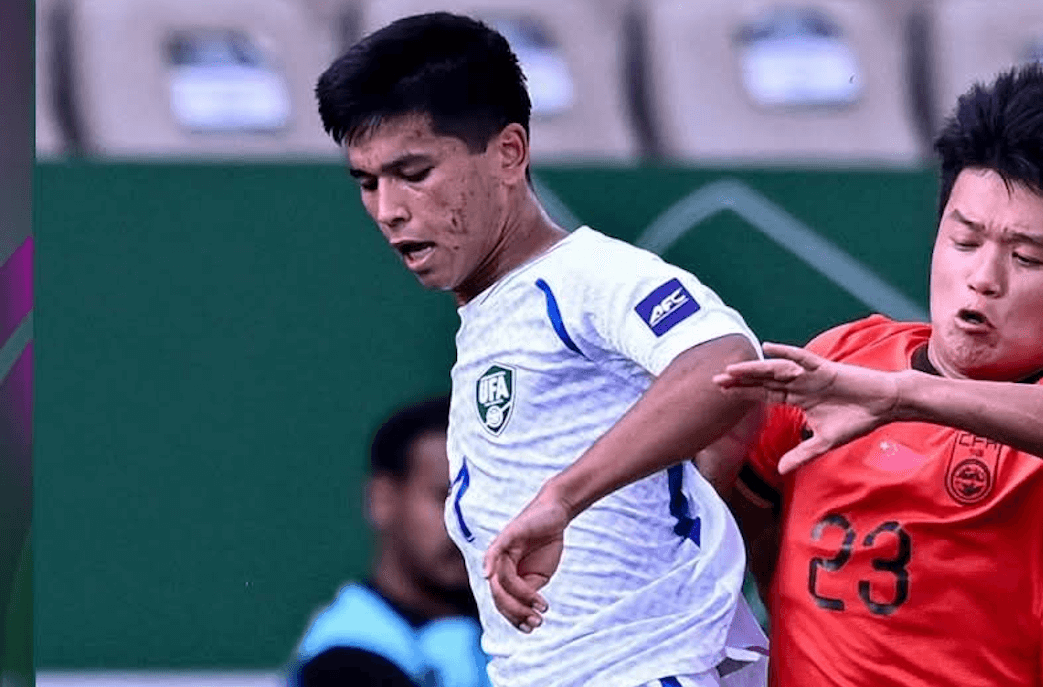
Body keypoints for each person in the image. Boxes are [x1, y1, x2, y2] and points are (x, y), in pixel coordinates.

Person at [314, 12, 768, 687]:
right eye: (367, 182)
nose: (388, 209)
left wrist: (564, 497)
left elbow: (725, 363)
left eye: (414, 172)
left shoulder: (584, 276)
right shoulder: (493, 315)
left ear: (508, 153)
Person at [712, 61, 1043, 687]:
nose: (984, 278)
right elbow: (752, 519)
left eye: (1025, 257)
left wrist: (904, 398)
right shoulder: (844, 356)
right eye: (965, 242)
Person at [289, 397, 491, 687]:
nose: (467, 523)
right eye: (445, 497)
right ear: (382, 500)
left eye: (485, 503)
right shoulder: (343, 661)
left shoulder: (511, 630)